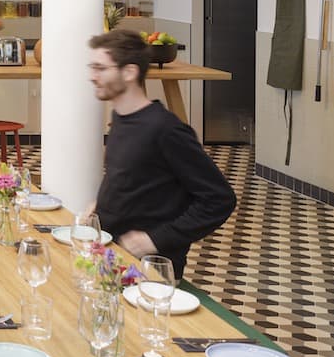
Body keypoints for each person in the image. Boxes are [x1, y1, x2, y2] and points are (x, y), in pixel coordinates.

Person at [89, 29, 237, 277]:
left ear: (129, 72)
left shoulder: (166, 129)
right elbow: (130, 180)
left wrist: (154, 239)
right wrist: (98, 206)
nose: (93, 76)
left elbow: (219, 199)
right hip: (113, 256)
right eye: (92, 67)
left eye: (101, 68)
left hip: (151, 272)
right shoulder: (121, 118)